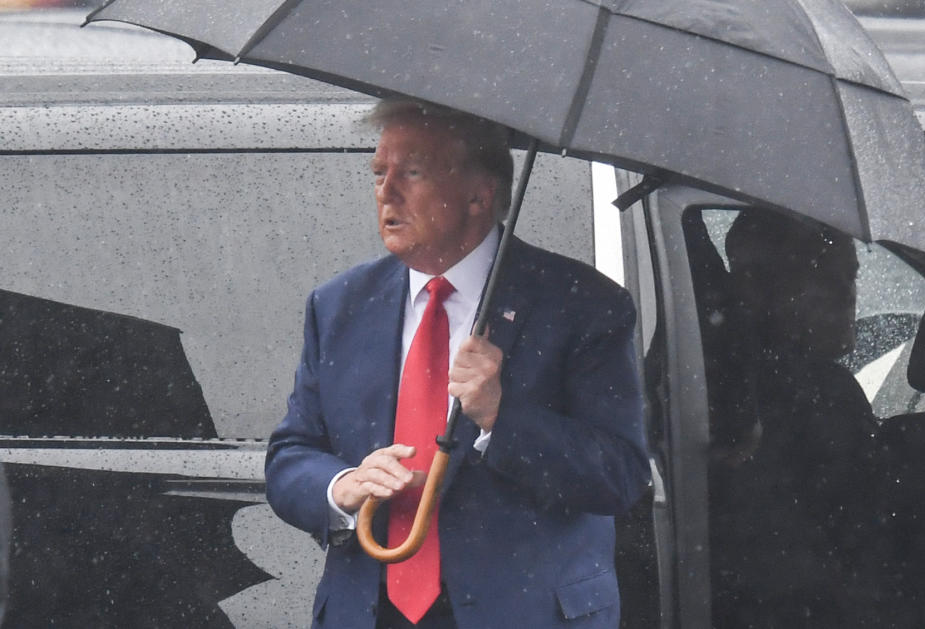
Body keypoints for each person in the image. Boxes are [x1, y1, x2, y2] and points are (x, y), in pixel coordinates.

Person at [265, 98, 650, 629]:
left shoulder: (581, 304)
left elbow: (620, 476)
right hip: (371, 611)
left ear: (478, 194)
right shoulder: (340, 305)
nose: (386, 191)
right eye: (379, 172)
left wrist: (501, 417)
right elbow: (291, 454)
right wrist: (343, 485)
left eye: (413, 171)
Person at [708, 210, 884, 628]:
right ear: (758, 286)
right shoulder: (809, 393)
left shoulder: (704, 364)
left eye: (851, 275)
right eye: (822, 275)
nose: (847, 293)